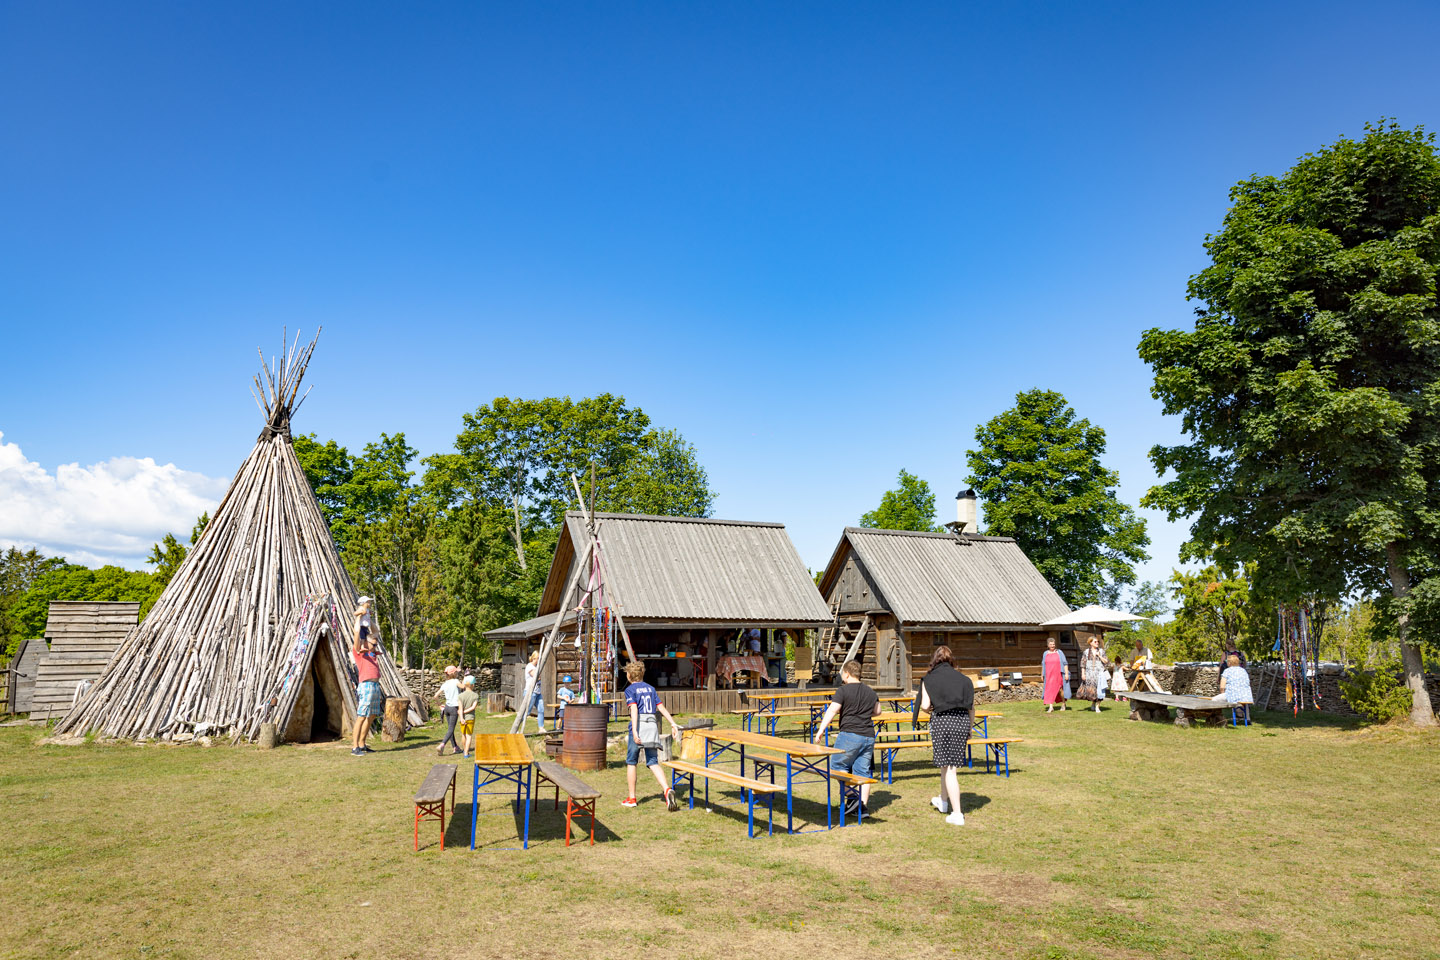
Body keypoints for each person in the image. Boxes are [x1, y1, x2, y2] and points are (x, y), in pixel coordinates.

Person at [913, 645, 974, 826]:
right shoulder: (965, 680)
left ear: (935, 660)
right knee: (945, 764)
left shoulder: (929, 679)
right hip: (962, 721)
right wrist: (970, 728)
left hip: (943, 722)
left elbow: (925, 706)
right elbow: (971, 707)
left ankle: (957, 813)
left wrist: (934, 706)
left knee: (950, 769)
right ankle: (943, 801)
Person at [812, 660, 881, 817]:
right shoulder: (870, 691)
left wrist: (821, 729)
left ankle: (852, 797)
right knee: (863, 772)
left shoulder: (843, 690)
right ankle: (862, 808)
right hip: (868, 736)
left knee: (836, 766)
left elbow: (832, 710)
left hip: (849, 734)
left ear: (847, 674)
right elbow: (878, 711)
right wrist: (863, 713)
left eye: (843, 673)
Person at [621, 660, 682, 810]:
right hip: (652, 725)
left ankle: (632, 798)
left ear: (629, 675)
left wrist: (635, 731)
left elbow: (634, 710)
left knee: (631, 761)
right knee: (653, 761)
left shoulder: (630, 690)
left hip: (640, 725)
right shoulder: (651, 688)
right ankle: (666, 789)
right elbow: (661, 707)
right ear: (642, 674)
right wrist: (673, 724)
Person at [350, 599, 384, 757]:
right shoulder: (359, 652)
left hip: (375, 685)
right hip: (366, 686)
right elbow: (357, 632)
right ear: (366, 642)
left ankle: (362, 744)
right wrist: (359, 616)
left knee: (372, 715)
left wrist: (369, 621)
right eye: (373, 643)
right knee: (362, 716)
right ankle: (354, 746)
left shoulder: (373, 652)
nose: (375, 645)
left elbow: (376, 631)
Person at [433, 665, 462, 756]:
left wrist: (439, 705)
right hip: (454, 708)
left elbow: (435, 696)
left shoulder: (445, 683)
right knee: (451, 729)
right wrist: (466, 677)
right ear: (454, 673)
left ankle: (455, 747)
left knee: (450, 728)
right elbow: (463, 686)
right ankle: (442, 745)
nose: (457, 673)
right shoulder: (456, 681)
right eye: (456, 672)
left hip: (447, 708)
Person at [1079, 637, 1108, 713]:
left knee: (1099, 690)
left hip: (1099, 674)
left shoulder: (1101, 651)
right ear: (1090, 643)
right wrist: (1083, 674)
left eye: (1098, 641)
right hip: (1090, 674)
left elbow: (1106, 661)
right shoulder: (1086, 652)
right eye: (1095, 642)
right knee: (1092, 690)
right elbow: (1083, 663)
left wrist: (1099, 656)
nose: (1097, 643)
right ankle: (1093, 703)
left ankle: (1097, 707)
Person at [1041, 637, 1069, 713]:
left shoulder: (1059, 652)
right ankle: (1051, 707)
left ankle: (1063, 703)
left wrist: (1066, 673)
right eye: (1051, 644)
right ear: (1048, 645)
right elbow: (1043, 664)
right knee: (1049, 690)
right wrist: (1042, 674)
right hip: (1048, 675)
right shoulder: (1045, 653)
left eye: (1053, 644)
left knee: (1060, 690)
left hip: (1058, 674)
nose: (1052, 646)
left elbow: (1065, 663)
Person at [523, 651, 547, 733]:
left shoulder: (536, 667)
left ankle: (541, 728)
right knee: (527, 711)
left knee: (541, 709)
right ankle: (518, 728)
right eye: (538, 658)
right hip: (530, 692)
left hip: (537, 692)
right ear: (534, 658)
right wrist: (538, 675)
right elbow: (536, 676)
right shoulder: (529, 666)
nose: (539, 660)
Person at [457, 674, 479, 758]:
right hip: (470, 718)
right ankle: (466, 753)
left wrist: (462, 717)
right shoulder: (475, 695)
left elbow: (460, 708)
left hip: (462, 718)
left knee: (463, 734)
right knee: (469, 736)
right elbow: (473, 707)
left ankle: (464, 750)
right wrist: (465, 712)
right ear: (472, 685)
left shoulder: (460, 696)